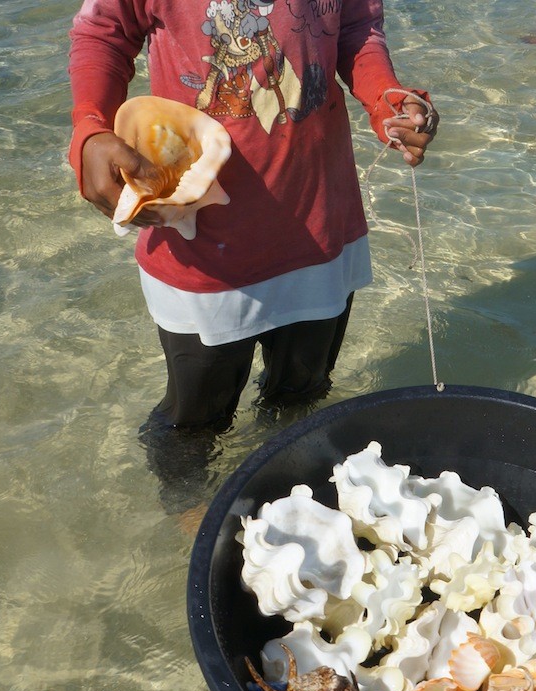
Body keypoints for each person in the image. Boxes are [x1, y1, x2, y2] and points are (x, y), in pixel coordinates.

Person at [68, 0, 438, 516]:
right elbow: (104, 33)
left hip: (318, 228)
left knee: (301, 394)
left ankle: (289, 499)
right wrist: (90, 129)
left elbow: (354, 27)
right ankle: (190, 519)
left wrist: (385, 97)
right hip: (202, 245)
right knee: (194, 419)